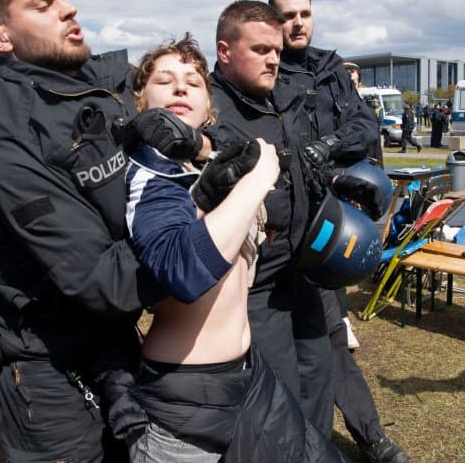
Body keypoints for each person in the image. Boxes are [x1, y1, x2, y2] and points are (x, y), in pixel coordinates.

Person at [0, 0, 203, 461]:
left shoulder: (84, 83)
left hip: (115, 342)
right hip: (47, 365)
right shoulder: (1, 141)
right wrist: (206, 225)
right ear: (0, 37)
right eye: (43, 4)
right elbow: (102, 279)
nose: (68, 9)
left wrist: (139, 133)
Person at [125, 34, 344, 462]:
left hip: (244, 374)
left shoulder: (207, 164)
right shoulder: (151, 172)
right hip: (186, 394)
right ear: (140, 103)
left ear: (209, 106)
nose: (181, 87)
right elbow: (181, 270)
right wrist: (257, 181)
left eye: (193, 80)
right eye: (165, 80)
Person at [209, 0, 385, 441]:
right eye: (261, 49)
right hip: (255, 285)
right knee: (279, 394)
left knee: (319, 376)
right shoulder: (211, 112)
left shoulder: (282, 101)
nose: (274, 58)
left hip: (303, 269)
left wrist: (339, 178)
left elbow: (298, 169)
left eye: (276, 49)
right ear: (225, 51)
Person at [269, 0, 406, 462]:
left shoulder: (330, 68)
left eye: (304, 13)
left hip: (332, 219)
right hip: (281, 222)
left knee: (327, 336)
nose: (297, 23)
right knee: (291, 348)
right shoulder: (264, 69)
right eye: (287, 15)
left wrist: (327, 149)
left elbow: (365, 124)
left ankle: (368, 436)